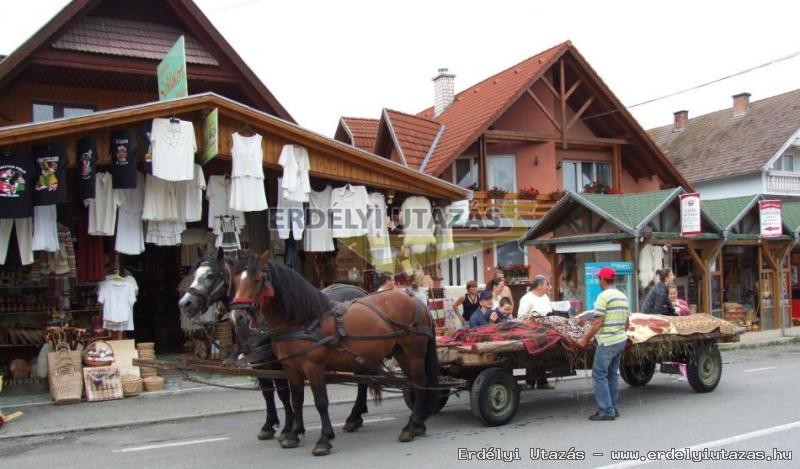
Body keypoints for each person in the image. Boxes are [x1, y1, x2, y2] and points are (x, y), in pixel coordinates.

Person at [576, 266, 630, 421]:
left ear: (602, 280)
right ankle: (613, 407)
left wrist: (584, 339)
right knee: (612, 374)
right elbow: (627, 321)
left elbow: (598, 322)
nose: (599, 281)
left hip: (607, 342)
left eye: (599, 278)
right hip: (620, 340)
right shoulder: (622, 296)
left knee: (599, 374)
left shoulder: (603, 296)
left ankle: (606, 410)